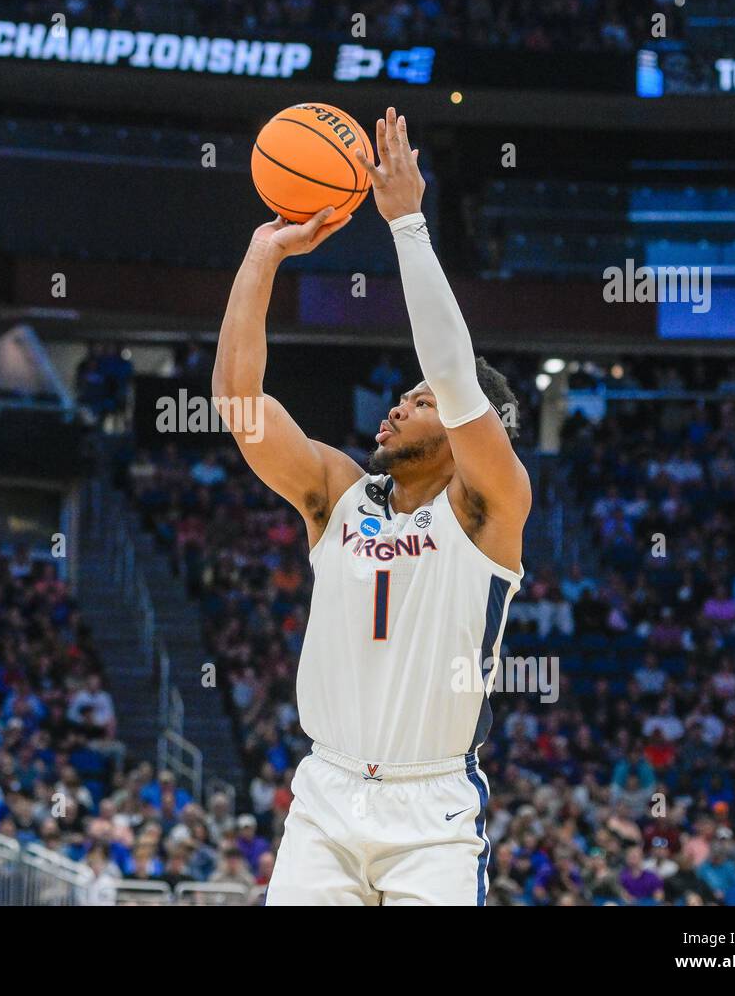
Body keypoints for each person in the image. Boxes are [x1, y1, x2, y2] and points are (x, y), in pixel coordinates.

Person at [213, 107, 530, 905]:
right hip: (325, 795)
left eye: (418, 400)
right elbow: (239, 404)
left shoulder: (491, 507)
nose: (396, 406)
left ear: (465, 432)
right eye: (402, 394)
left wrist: (408, 226)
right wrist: (262, 255)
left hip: (431, 811)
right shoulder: (338, 494)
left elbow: (457, 377)